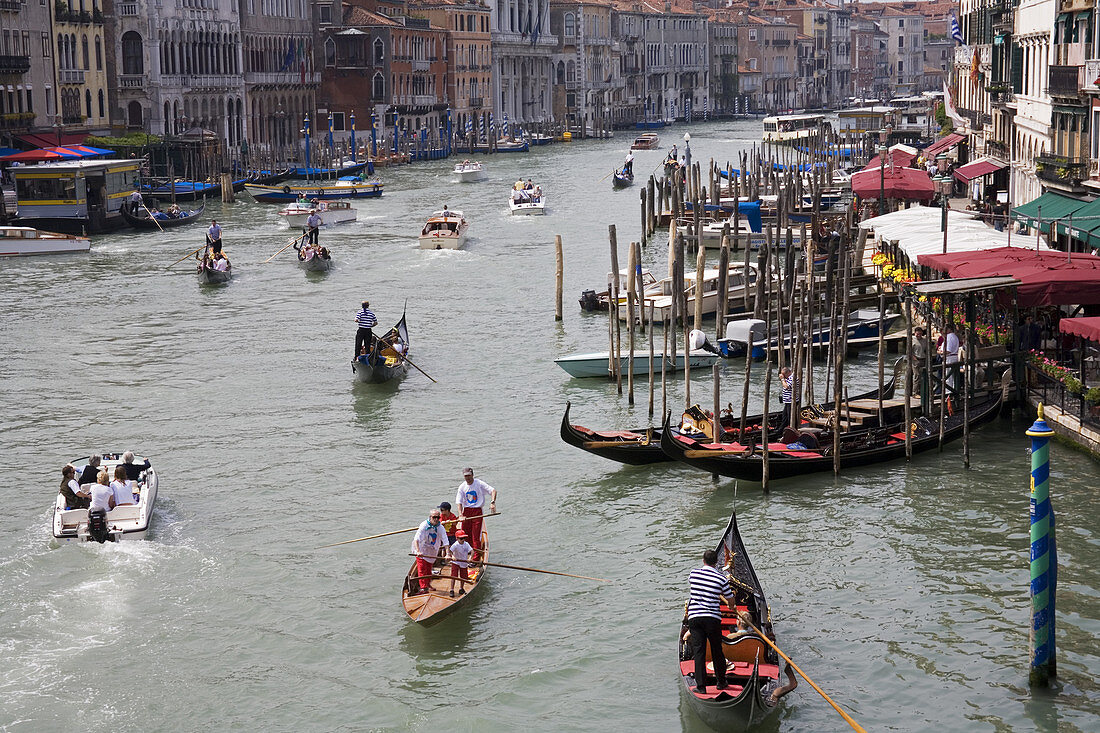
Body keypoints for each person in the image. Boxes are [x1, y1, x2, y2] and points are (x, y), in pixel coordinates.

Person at [686, 549, 736, 693]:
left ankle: (701, 687)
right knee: (716, 650)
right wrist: (731, 606)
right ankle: (721, 682)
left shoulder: (693, 574)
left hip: (694, 617)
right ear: (717, 563)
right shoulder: (721, 579)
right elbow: (731, 600)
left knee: (699, 651)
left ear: (703, 561)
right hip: (712, 618)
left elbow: (695, 586)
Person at [409, 507, 450, 595]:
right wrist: (418, 551)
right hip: (421, 549)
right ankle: (423, 588)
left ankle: (427, 584)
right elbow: (416, 539)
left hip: (432, 550)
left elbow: (445, 540)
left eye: (437, 517)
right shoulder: (424, 525)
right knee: (422, 569)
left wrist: (448, 553)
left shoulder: (440, 527)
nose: (436, 519)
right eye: (434, 517)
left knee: (428, 568)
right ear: (430, 517)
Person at [455, 467, 496, 552]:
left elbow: (493, 491)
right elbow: (459, 502)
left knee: (476, 536)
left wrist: (492, 502)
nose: (468, 478)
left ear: (472, 475)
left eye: (469, 476)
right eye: (466, 476)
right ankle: (466, 554)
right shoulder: (462, 487)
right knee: (465, 534)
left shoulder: (479, 483)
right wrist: (460, 515)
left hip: (477, 511)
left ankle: (475, 558)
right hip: (466, 511)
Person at [448, 529, 474, 598]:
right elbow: (450, 551)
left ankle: (461, 588)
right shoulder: (455, 545)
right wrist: (453, 556)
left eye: (464, 538)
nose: (463, 540)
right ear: (457, 538)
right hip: (455, 562)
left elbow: (472, 551)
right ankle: (452, 590)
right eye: (461, 538)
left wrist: (470, 558)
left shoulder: (466, 544)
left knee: (463, 577)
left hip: (464, 562)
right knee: (454, 576)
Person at [940, 323, 960, 390]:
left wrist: (940, 352)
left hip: (949, 358)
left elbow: (948, 350)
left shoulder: (949, 337)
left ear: (949, 330)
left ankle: (949, 392)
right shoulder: (954, 336)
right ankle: (952, 391)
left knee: (948, 377)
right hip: (953, 357)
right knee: (951, 376)